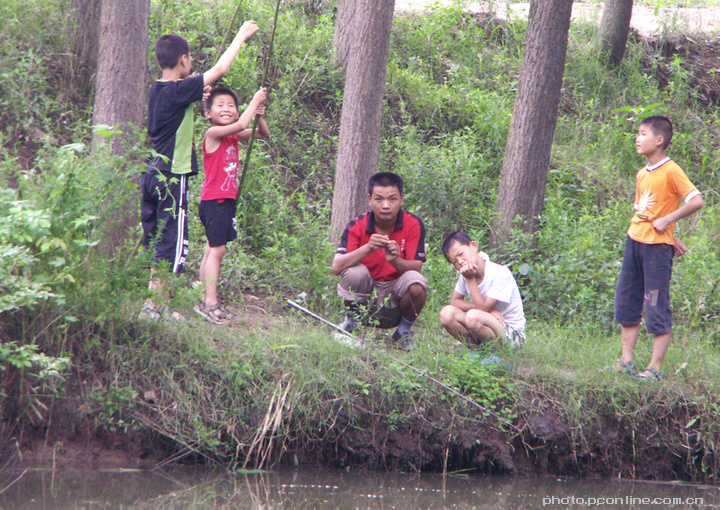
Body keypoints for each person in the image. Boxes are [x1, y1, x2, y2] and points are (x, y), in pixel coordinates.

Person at [139, 22, 260, 320]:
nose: (191, 65)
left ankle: (154, 304)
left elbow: (189, 92)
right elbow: (220, 69)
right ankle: (157, 307)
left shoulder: (159, 90)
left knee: (157, 239)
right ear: (183, 60)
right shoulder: (178, 91)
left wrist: (194, 86)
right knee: (171, 242)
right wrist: (241, 36)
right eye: (190, 59)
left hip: (151, 174)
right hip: (172, 177)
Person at [610, 115, 703, 381]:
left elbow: (696, 200)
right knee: (627, 298)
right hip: (634, 241)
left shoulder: (671, 170)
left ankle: (654, 368)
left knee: (655, 302)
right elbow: (646, 213)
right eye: (637, 134)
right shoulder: (642, 173)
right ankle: (626, 360)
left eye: (642, 134)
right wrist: (671, 235)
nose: (637, 139)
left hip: (655, 252)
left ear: (659, 140)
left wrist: (669, 222)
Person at [195, 86, 270, 323]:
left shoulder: (233, 136)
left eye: (231, 106)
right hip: (214, 201)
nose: (226, 109)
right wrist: (255, 99)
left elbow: (262, 134)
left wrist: (259, 113)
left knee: (211, 248)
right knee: (218, 251)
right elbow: (240, 126)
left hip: (224, 202)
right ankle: (210, 303)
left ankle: (202, 295)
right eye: (220, 105)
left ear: (237, 111)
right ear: (208, 113)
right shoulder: (213, 133)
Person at [331, 172, 428, 350]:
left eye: (392, 199)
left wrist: (395, 261)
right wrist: (367, 247)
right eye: (379, 199)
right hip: (365, 295)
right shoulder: (357, 225)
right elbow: (337, 266)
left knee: (416, 281)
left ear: (401, 199)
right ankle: (352, 323)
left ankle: (403, 331)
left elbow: (417, 268)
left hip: (395, 294)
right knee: (355, 273)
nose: (385, 205)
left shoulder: (413, 223)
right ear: (369, 199)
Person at [439, 232, 526, 348]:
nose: (460, 261)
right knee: (446, 313)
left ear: (474, 246)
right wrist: (491, 311)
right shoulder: (465, 274)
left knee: (473, 316)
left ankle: (497, 353)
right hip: (485, 322)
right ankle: (476, 350)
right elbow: (454, 301)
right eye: (454, 261)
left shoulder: (500, 273)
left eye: (461, 254)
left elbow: (482, 309)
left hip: (512, 334)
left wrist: (470, 279)